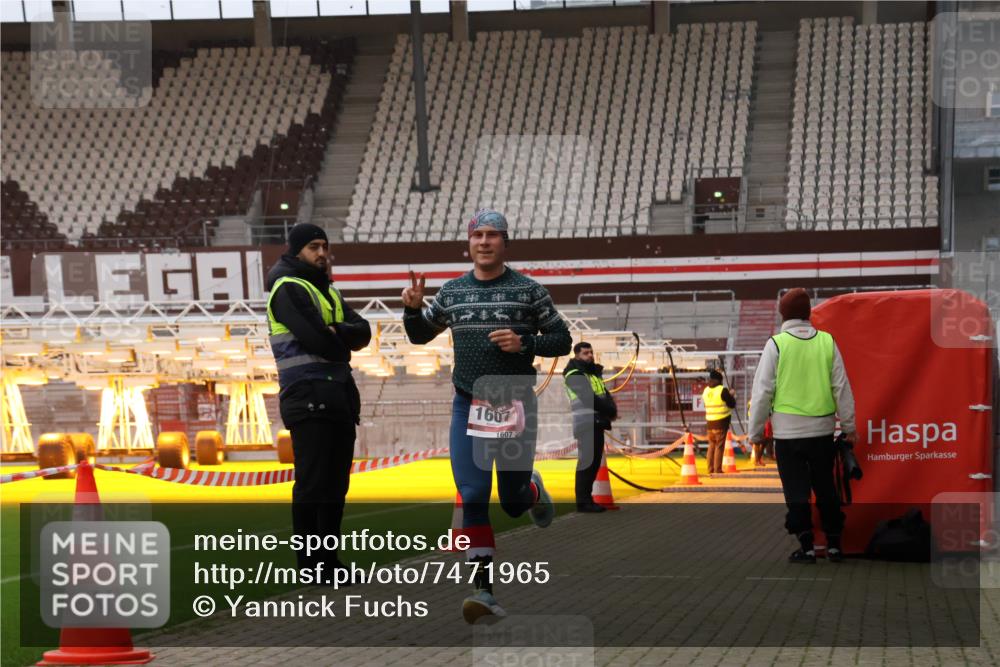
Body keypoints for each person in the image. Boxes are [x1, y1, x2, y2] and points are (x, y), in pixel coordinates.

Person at [402, 208, 572, 623]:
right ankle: (484, 591)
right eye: (478, 234)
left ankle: (531, 490)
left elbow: (562, 339)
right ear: (469, 242)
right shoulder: (452, 292)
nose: (485, 241)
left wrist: (525, 341)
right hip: (466, 403)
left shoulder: (529, 291)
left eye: (493, 235)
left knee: (512, 503)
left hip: (511, 401)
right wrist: (412, 309)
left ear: (505, 243)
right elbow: (420, 334)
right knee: (474, 494)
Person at [266, 223, 372, 578]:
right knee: (313, 483)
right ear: (297, 251)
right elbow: (319, 342)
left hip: (338, 396)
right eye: (314, 246)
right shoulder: (288, 289)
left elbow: (365, 333)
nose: (322, 253)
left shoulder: (328, 292)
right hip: (307, 397)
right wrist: (341, 337)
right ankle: (309, 567)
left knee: (335, 485)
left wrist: (337, 333)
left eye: (325, 246)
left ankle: (329, 564)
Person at [749, 288, 856, 563]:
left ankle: (806, 546)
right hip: (822, 432)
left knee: (796, 491)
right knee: (826, 489)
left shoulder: (776, 344)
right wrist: (849, 426)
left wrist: (756, 432)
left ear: (783, 314)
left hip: (787, 434)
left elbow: (762, 392)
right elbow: (841, 388)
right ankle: (834, 544)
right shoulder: (827, 342)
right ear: (808, 313)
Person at [563, 341, 617, 512]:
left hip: (596, 422)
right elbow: (588, 398)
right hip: (586, 423)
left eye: (591, 352)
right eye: (586, 353)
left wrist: (610, 409)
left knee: (593, 464)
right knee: (587, 463)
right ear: (577, 355)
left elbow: (603, 394)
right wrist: (609, 409)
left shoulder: (592, 373)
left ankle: (587, 500)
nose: (590, 356)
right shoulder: (574, 374)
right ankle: (583, 502)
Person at [702, 369, 736, 474]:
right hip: (721, 422)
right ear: (719, 380)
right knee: (719, 446)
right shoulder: (722, 390)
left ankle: (710, 469)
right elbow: (732, 404)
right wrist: (731, 395)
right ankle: (717, 470)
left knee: (711, 446)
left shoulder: (706, 391)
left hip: (709, 423)